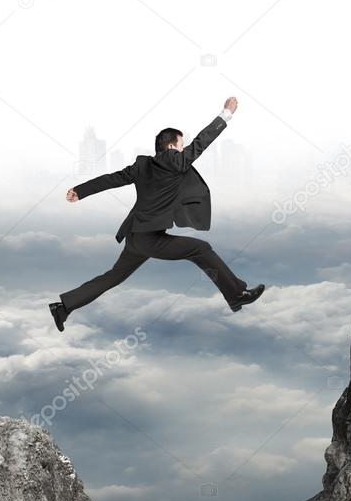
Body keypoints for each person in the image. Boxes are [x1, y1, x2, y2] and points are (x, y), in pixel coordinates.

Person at [49, 96, 265, 331]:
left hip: (136, 236)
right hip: (150, 239)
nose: (184, 150)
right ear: (172, 146)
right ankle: (237, 295)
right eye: (182, 145)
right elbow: (201, 143)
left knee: (113, 276)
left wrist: (81, 191)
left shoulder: (142, 166)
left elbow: (113, 178)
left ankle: (63, 307)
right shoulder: (173, 160)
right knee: (201, 249)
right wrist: (226, 114)